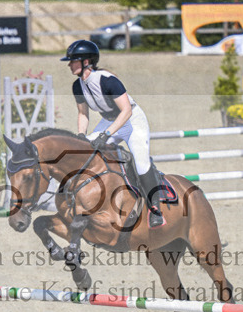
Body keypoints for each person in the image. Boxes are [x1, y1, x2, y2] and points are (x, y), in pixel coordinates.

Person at [61, 39, 165, 228]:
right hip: (108, 120)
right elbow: (83, 114)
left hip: (132, 121)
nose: (69, 65)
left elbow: (126, 111)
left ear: (86, 62)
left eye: (73, 60)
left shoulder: (107, 80)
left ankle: (155, 208)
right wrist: (82, 135)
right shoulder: (78, 86)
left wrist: (106, 134)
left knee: (141, 163)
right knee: (83, 153)